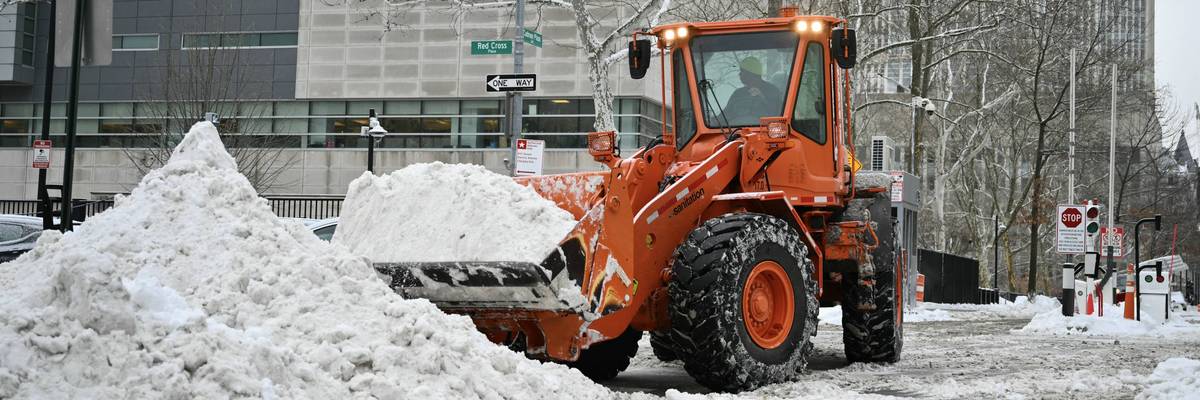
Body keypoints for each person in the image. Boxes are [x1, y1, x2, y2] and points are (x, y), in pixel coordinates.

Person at [721, 56, 784, 125]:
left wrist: (762, 98)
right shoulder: (738, 94)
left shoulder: (772, 91)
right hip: (737, 132)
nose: (739, 74)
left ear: (751, 73)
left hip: (765, 132)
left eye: (742, 71)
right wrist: (711, 122)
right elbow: (724, 117)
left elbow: (777, 115)